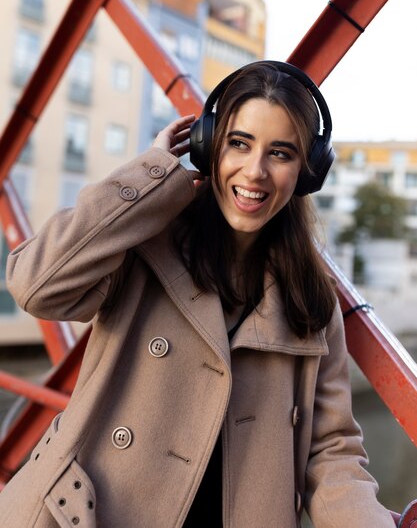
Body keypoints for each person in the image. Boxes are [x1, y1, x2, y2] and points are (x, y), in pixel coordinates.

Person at [0, 61, 396, 528]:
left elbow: (331, 451)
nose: (255, 172)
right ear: (209, 146)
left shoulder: (310, 298)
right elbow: (37, 285)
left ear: (307, 172)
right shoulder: (144, 242)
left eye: (281, 153)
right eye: (238, 143)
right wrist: (150, 175)